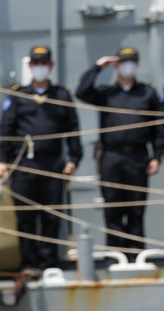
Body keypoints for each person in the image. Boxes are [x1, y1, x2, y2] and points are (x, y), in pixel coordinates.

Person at [0, 45, 83, 272]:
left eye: (44, 63)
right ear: (30, 66)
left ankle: (48, 263)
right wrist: (4, 159)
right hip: (25, 163)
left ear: (51, 66)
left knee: (51, 216)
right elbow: (6, 128)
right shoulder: (18, 95)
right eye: (36, 64)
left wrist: (74, 158)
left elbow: (72, 129)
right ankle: (28, 263)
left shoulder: (62, 95)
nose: (40, 68)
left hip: (53, 163)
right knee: (25, 216)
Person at [76, 46, 162, 255]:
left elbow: (159, 127)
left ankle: (135, 254)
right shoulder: (106, 93)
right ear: (116, 65)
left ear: (137, 64)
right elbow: (81, 92)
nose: (128, 66)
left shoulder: (147, 93)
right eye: (123, 62)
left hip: (138, 157)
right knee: (113, 208)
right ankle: (115, 255)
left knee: (136, 209)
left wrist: (157, 157)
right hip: (111, 157)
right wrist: (97, 67)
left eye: (131, 61)